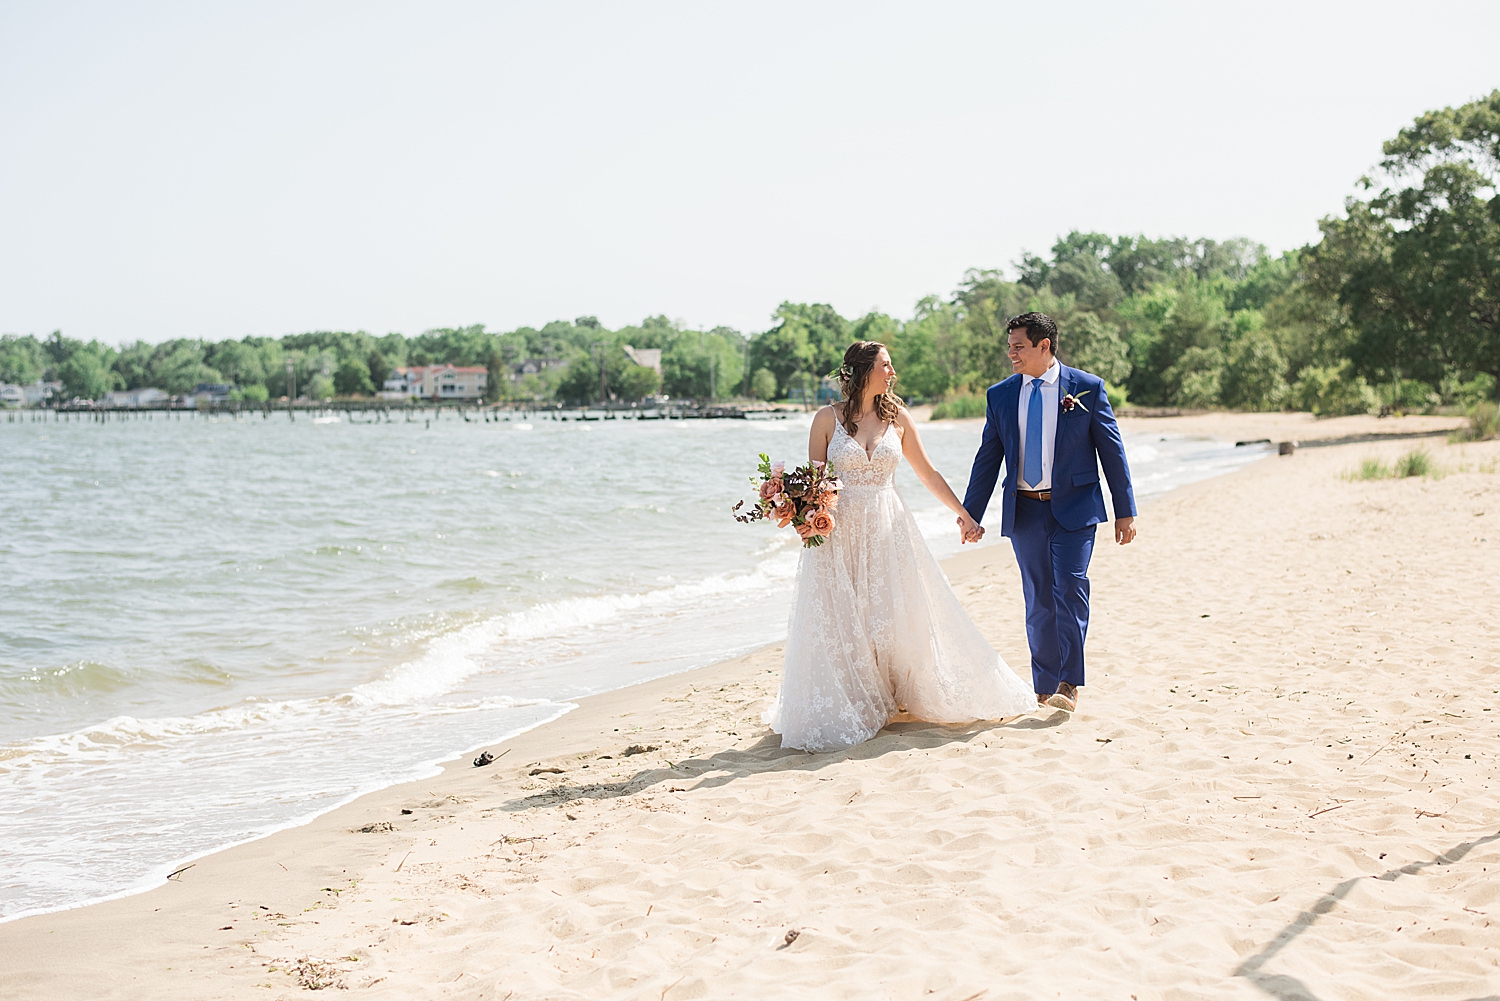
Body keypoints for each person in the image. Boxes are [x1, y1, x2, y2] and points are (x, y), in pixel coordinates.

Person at [762, 341, 1037, 752]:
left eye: (891, 366)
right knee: (845, 617)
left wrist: (964, 514)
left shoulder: (899, 419)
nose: (892, 373)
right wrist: (801, 519)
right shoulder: (826, 420)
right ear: (861, 372)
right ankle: (856, 698)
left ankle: (893, 693)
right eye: (885, 366)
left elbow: (927, 473)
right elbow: (813, 485)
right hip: (838, 533)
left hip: (889, 527)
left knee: (890, 614)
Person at [961, 312, 1136, 714]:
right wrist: (971, 513)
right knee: (1038, 599)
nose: (1011, 354)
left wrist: (1125, 510)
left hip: (1076, 509)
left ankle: (1069, 683)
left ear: (1045, 346)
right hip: (1024, 511)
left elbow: (1112, 451)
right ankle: (1044, 686)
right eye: (1009, 346)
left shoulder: (1087, 389)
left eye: (1018, 346)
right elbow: (987, 459)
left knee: (1070, 590)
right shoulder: (1001, 395)